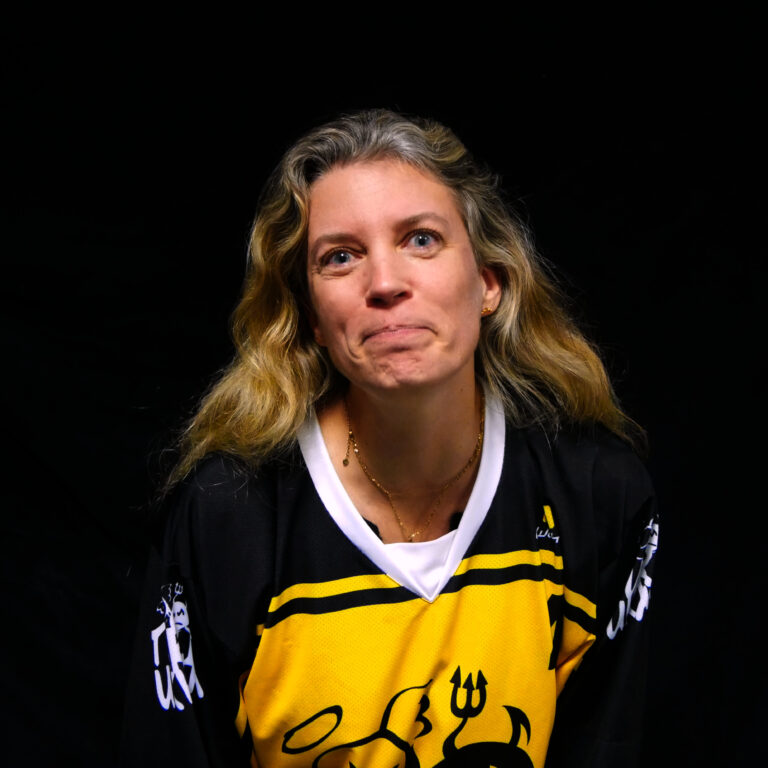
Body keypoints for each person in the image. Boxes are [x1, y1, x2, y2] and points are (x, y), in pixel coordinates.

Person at [120, 109, 659, 767]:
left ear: (488, 283)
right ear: (313, 318)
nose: (384, 284)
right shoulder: (229, 516)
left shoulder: (596, 494)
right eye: (340, 257)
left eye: (421, 240)